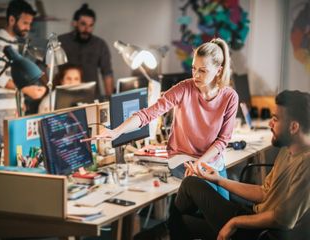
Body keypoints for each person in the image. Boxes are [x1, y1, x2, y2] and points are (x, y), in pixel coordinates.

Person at [94, 38, 239, 200]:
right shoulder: (184, 88)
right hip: (182, 158)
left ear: (218, 71)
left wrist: (200, 163)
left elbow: (222, 140)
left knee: (225, 205)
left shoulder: (230, 97)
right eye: (194, 68)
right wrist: (116, 132)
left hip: (211, 161)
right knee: (213, 199)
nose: (196, 75)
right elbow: (148, 114)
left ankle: (179, 223)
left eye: (203, 71)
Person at [168, 90, 310, 240]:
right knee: (183, 219)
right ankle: (173, 224)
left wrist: (234, 222)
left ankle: (172, 225)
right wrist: (218, 179)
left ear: (294, 127)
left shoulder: (306, 164)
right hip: (258, 214)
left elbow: (283, 220)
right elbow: (264, 192)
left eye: (275, 119)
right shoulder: (288, 149)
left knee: (189, 187)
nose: (270, 123)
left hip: (264, 232)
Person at [0, 0, 46, 144]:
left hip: (11, 106)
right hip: (0, 108)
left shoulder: (12, 42)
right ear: (11, 19)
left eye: (30, 24)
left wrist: (20, 100)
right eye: (25, 23)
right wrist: (28, 90)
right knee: (10, 149)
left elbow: (15, 75)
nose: (28, 28)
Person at [59, 3, 114, 99]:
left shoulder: (99, 44)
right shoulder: (61, 42)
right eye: (83, 24)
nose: (87, 29)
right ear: (75, 23)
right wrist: (48, 90)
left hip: (93, 96)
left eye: (91, 25)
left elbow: (107, 73)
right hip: (66, 97)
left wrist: (110, 99)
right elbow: (42, 66)